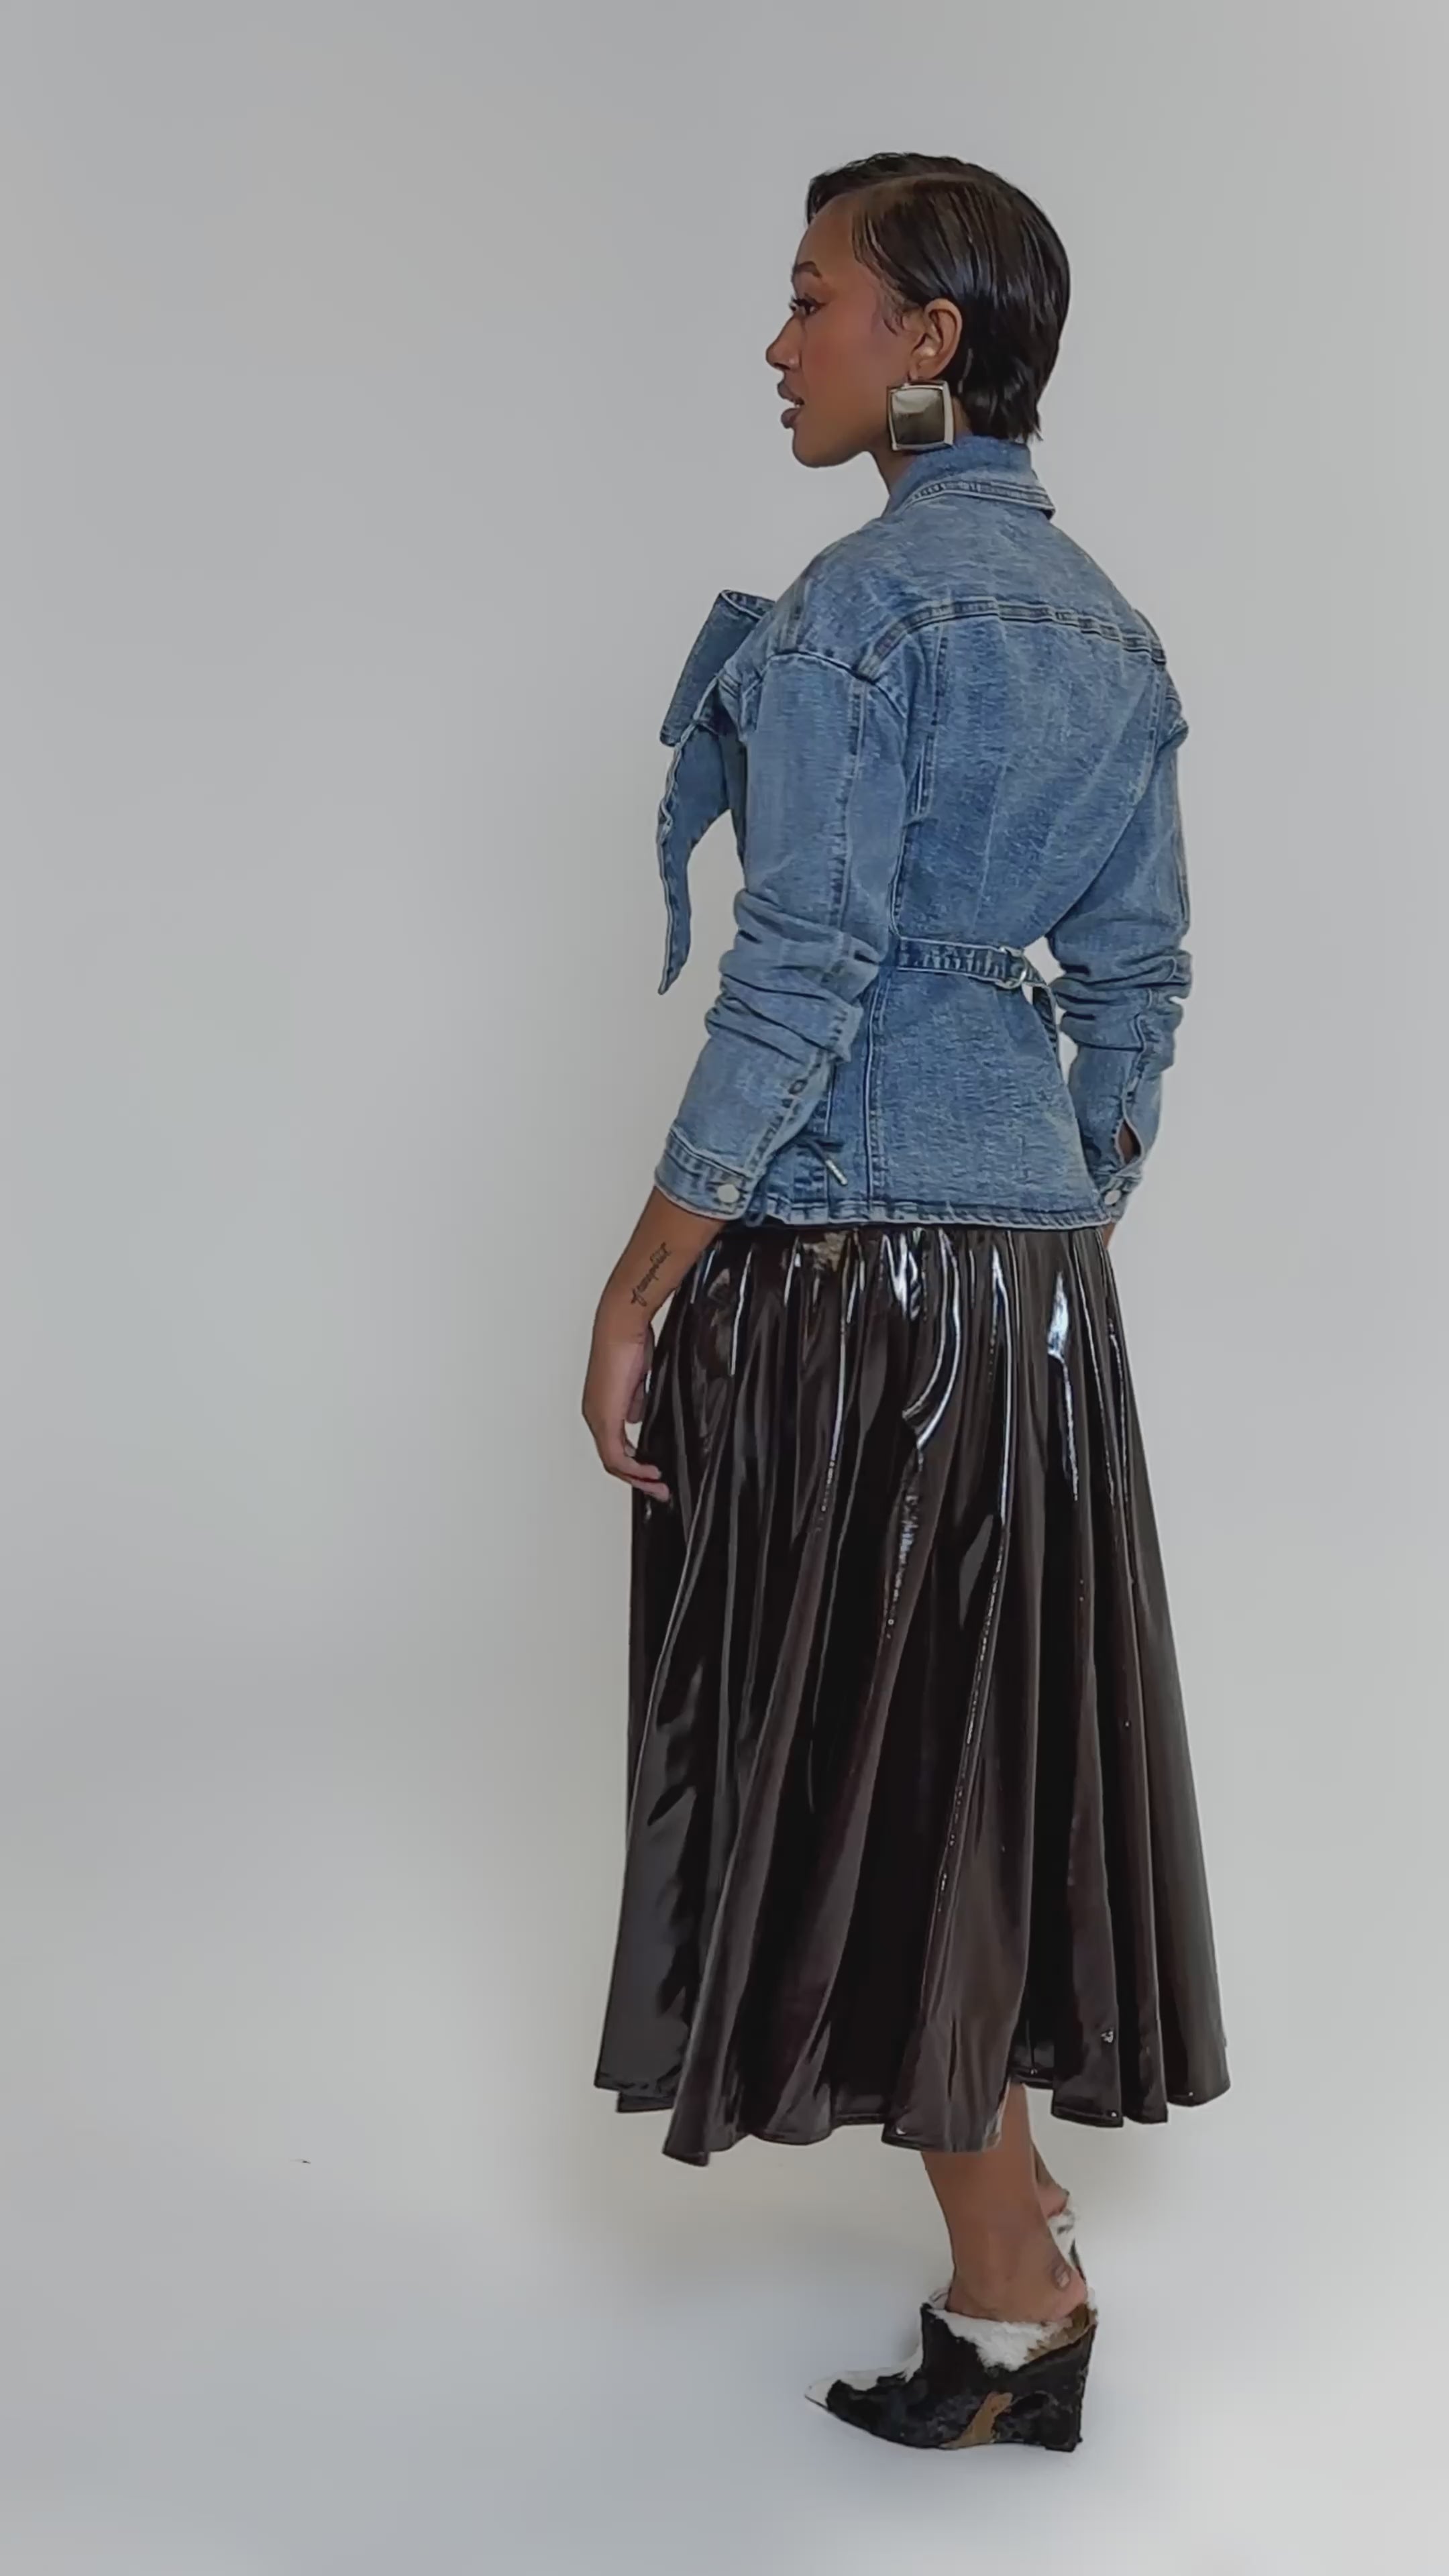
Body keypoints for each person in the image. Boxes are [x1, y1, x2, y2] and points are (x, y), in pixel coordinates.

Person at [580, 152, 1228, 2454]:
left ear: (930, 340)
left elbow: (806, 965)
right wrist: (1063, 1197)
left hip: (853, 1268)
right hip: (1034, 1285)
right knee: (959, 1768)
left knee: (881, 1766)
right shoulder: (1117, 633)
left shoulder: (860, 617)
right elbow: (1133, 991)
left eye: (815, 299)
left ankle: (1017, 2295)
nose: (783, 343)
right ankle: (1012, 2279)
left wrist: (650, 1264)